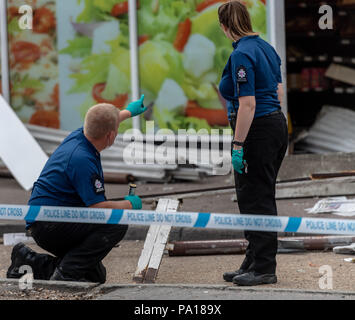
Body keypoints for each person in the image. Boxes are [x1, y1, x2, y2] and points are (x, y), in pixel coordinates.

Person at [7, 96, 148, 283]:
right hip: (49, 225)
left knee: (94, 276)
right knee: (116, 222)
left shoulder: (81, 135)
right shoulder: (82, 160)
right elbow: (97, 209)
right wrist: (129, 204)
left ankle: (26, 261)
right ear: (111, 136)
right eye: (116, 130)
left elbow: (102, 123)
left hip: (51, 218)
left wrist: (128, 111)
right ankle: (64, 276)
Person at [218, 1, 288, 286]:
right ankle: (253, 260)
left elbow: (247, 104)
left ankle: (264, 268)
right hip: (274, 125)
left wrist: (237, 144)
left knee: (256, 199)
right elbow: (278, 92)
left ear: (225, 26)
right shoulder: (267, 48)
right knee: (256, 196)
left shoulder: (242, 55)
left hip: (255, 130)